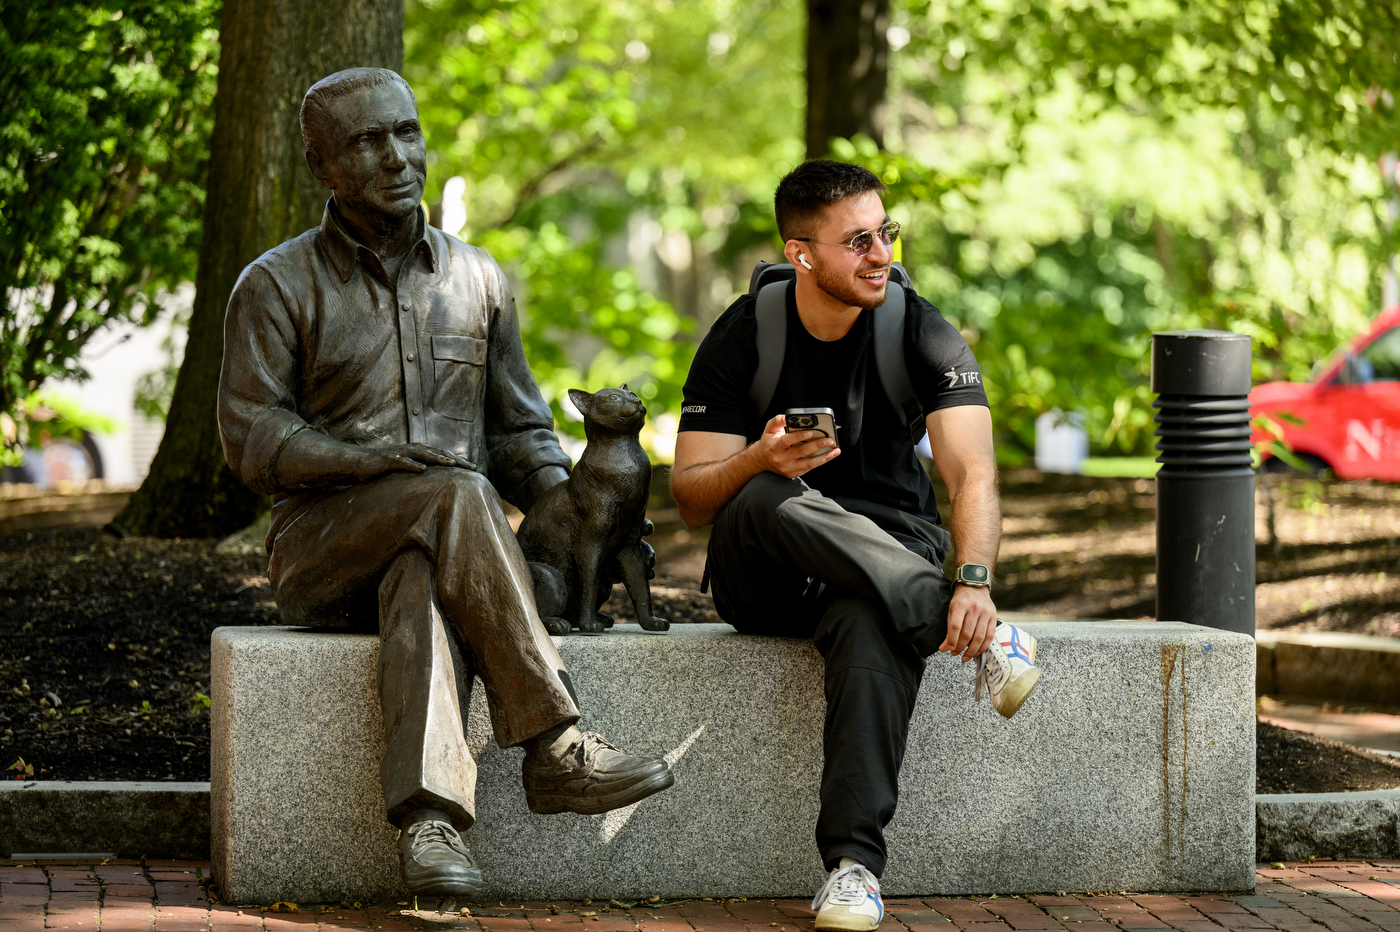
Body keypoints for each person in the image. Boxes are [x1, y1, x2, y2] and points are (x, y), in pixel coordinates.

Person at [216, 68, 672, 897]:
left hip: (450, 548)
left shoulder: (479, 279)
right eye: (366, 141)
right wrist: (365, 462)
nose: (398, 157)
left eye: (407, 132)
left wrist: (568, 506)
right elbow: (252, 436)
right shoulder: (276, 285)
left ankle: (431, 827)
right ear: (322, 164)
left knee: (426, 565)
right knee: (453, 495)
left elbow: (521, 429)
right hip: (321, 550)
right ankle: (554, 746)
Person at [670, 160, 1041, 931]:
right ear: (802, 254)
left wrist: (974, 578)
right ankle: (972, 635)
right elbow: (691, 498)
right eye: (860, 240)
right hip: (764, 560)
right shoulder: (746, 333)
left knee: (872, 623)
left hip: (881, 560)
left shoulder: (922, 329)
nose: (883, 254)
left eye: (887, 232)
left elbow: (972, 471)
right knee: (768, 495)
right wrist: (755, 461)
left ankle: (852, 870)